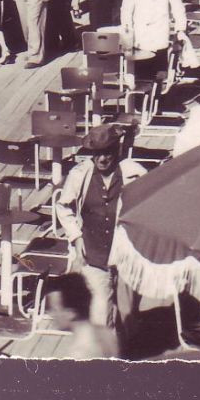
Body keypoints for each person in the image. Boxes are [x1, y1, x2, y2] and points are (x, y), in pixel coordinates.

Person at [52, 125, 146, 331]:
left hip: (126, 255)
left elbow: (149, 207)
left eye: (107, 153)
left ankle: (126, 356)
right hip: (94, 255)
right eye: (98, 153)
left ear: (117, 151)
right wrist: (76, 238)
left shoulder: (134, 173)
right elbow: (63, 206)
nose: (102, 159)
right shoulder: (80, 175)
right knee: (101, 317)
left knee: (128, 315)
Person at [118, 0, 189, 89]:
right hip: (141, 35)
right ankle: (142, 101)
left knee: (160, 73)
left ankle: (158, 100)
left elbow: (177, 5)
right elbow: (126, 10)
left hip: (160, 32)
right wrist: (127, 32)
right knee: (143, 74)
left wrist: (181, 28)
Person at [44, 274, 119, 359]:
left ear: (71, 313)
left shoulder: (80, 353)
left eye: (54, 309)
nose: (50, 314)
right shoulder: (106, 333)